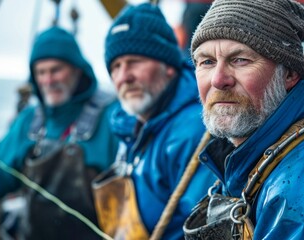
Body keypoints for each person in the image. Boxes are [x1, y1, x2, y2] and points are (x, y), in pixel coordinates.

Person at [183, 0, 304, 239]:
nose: (218, 79)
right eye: (206, 62)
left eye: (240, 60)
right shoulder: (250, 159)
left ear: (289, 74)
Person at [0, 26, 119, 240]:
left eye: (56, 70)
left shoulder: (112, 117)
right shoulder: (29, 121)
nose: (48, 80)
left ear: (78, 70)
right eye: (41, 72)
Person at [92, 3, 217, 240]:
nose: (124, 76)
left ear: (168, 67)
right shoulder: (129, 128)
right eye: (116, 66)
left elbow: (206, 229)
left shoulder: (192, 132)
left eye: (135, 62)